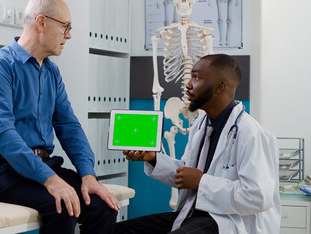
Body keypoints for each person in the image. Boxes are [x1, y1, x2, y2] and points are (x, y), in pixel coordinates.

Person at [0, 0, 119, 233]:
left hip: (42, 164)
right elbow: (4, 135)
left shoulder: (52, 72)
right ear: (41, 23)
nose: (69, 35)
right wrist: (51, 181)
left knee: (103, 206)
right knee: (61, 205)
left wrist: (88, 175)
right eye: (65, 27)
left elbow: (69, 126)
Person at [115, 54, 280, 234]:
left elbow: (257, 197)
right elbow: (186, 173)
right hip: (193, 213)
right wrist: (154, 159)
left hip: (230, 221)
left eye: (197, 77)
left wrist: (202, 182)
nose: (188, 84)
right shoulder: (201, 126)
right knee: (114, 231)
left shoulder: (252, 134)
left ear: (219, 87)